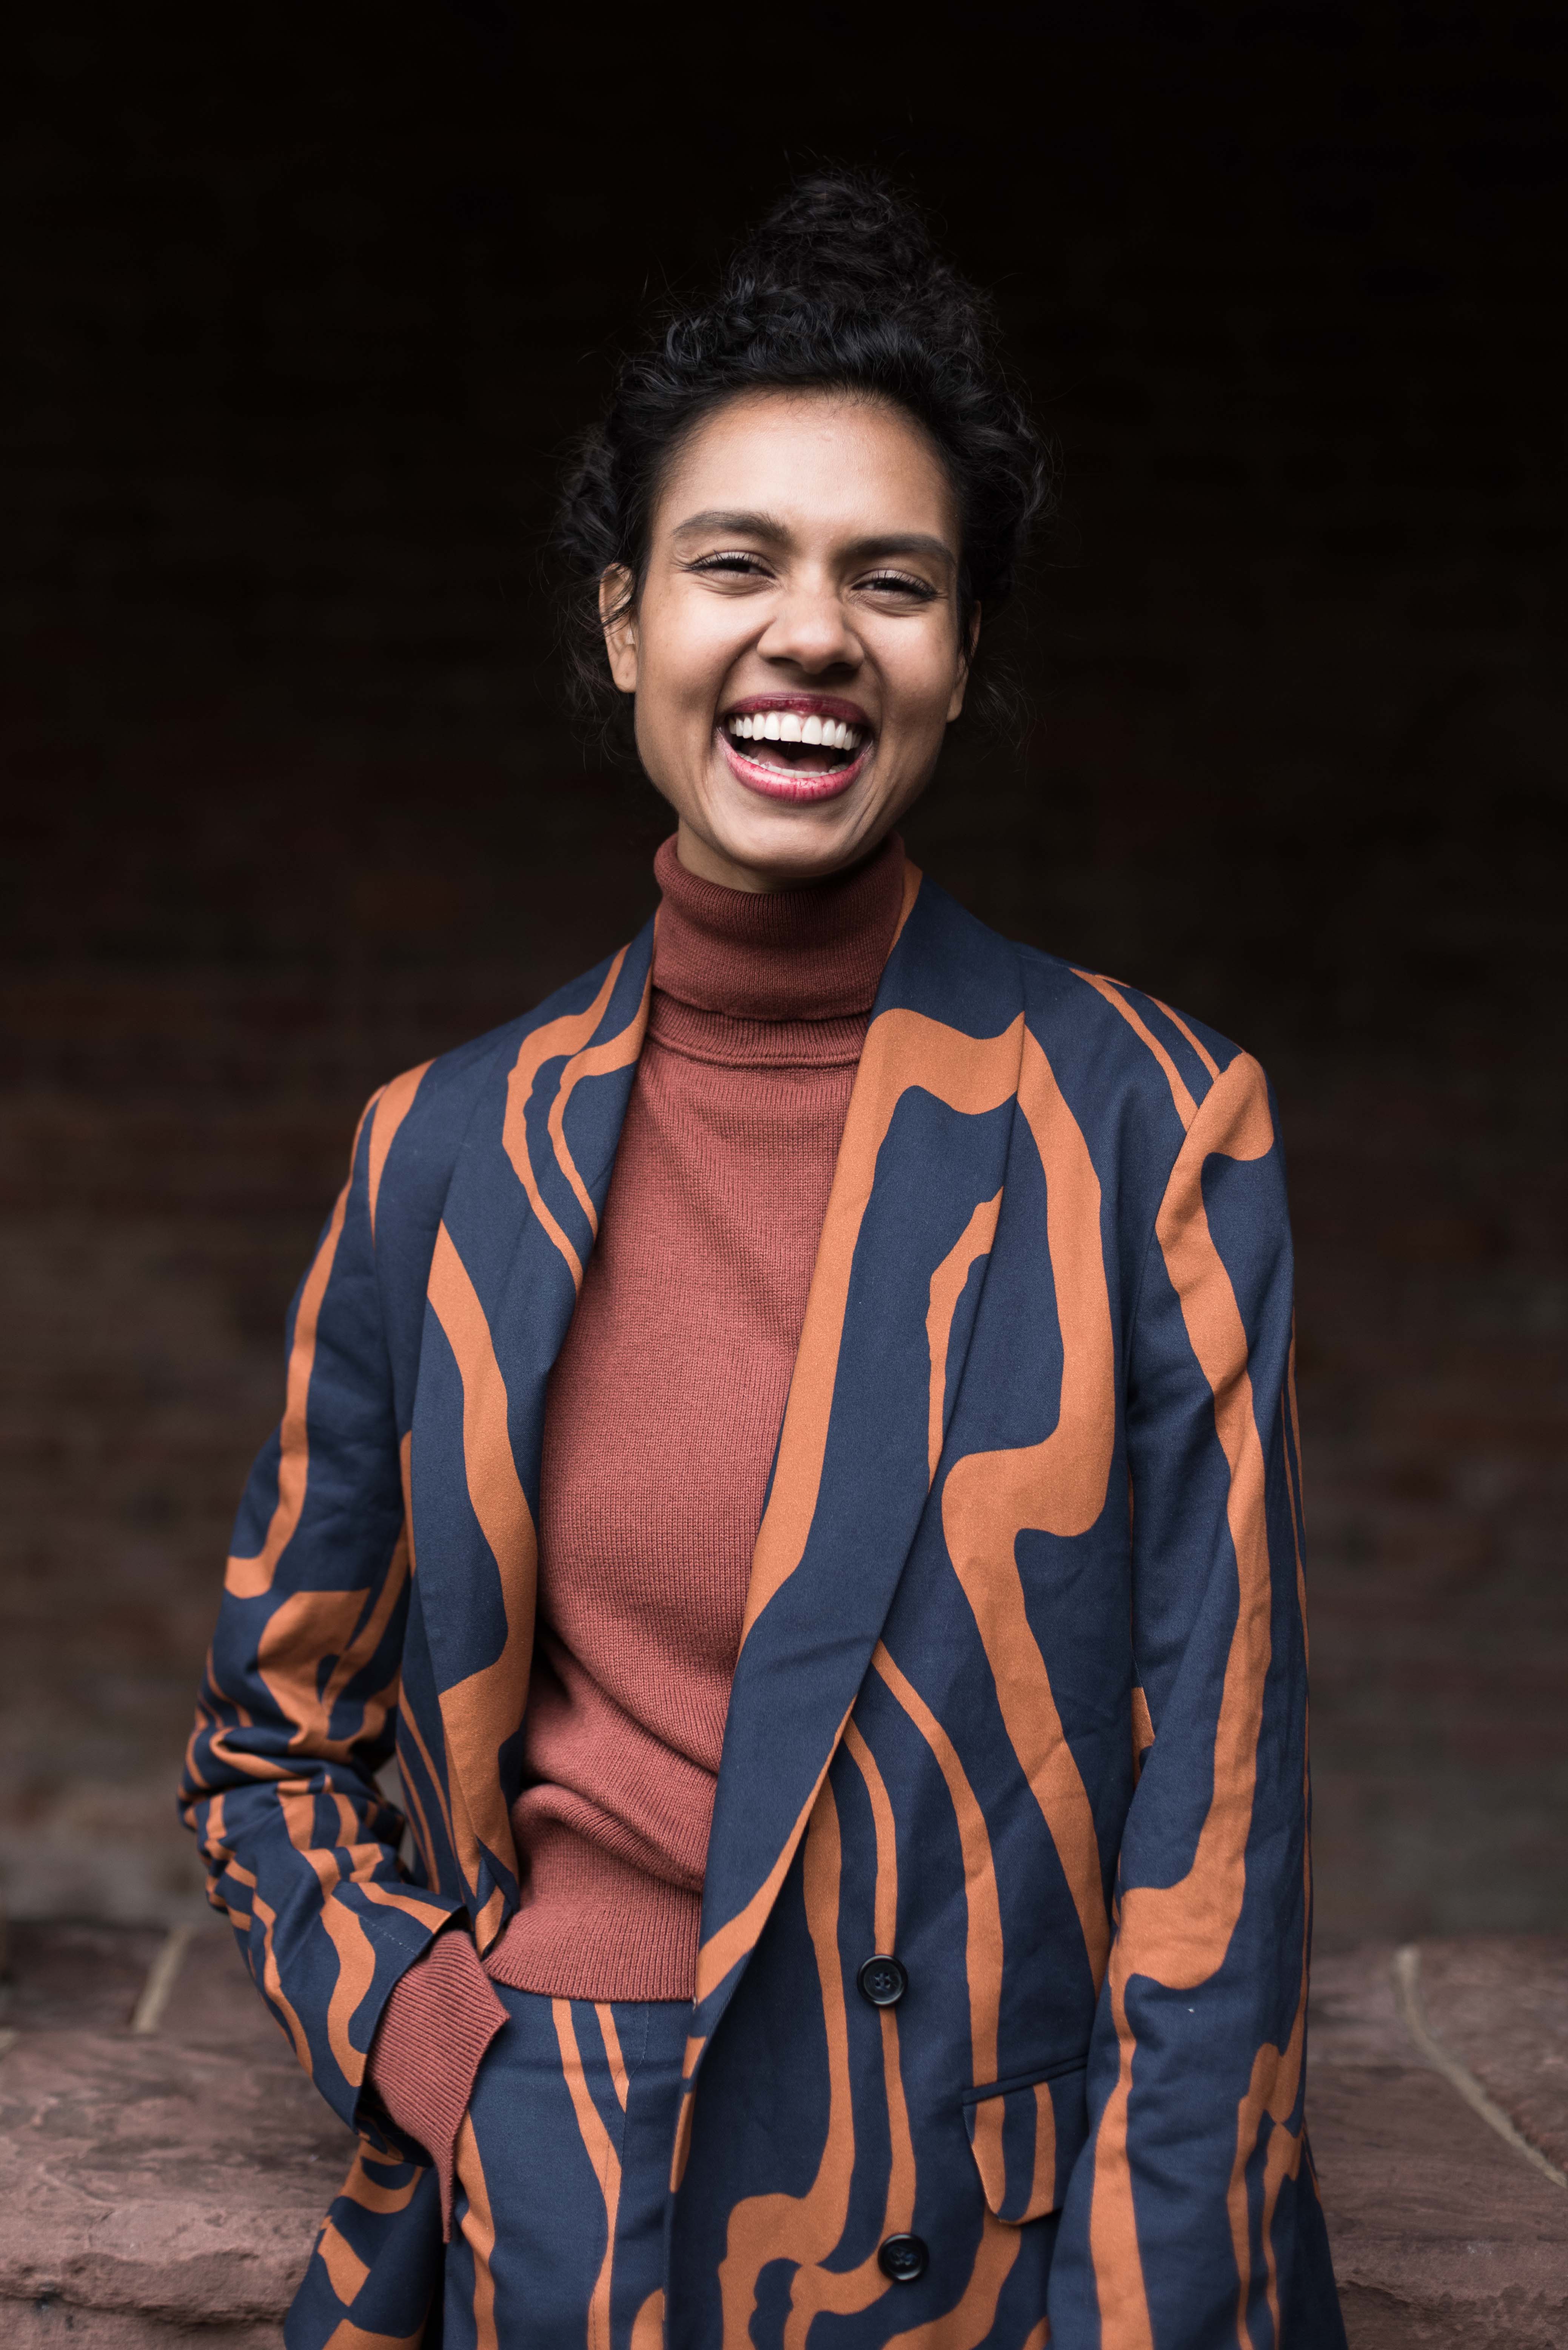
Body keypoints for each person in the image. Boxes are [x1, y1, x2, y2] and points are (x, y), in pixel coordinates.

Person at [181, 172, 1346, 2350]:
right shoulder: (440, 1153)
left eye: (890, 582)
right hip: (554, 2219)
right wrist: (451, 2049)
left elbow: (1224, 1816)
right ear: (630, 625)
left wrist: (1152, 2301)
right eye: (739, 564)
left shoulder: (1151, 1127)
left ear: (958, 659)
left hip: (983, 2246)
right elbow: (269, 1731)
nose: (813, 631)